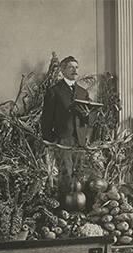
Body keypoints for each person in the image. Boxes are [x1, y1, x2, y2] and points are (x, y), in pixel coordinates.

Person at [41, 56, 93, 189]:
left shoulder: (83, 92)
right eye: (71, 67)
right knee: (66, 175)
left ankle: (79, 206)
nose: (75, 70)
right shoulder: (54, 91)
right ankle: (65, 206)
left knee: (80, 175)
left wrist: (88, 116)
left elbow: (91, 117)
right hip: (63, 139)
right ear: (62, 70)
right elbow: (46, 118)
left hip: (80, 140)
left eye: (76, 67)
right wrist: (51, 139)